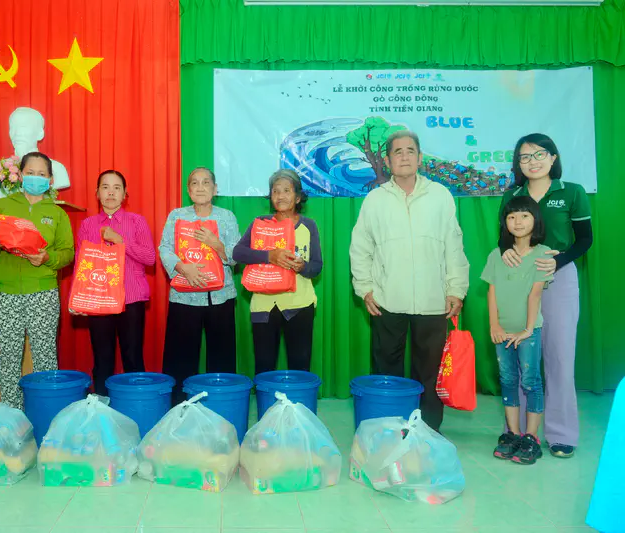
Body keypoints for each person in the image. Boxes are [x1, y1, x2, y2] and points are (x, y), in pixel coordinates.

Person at [349, 130, 469, 431]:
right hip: (388, 300)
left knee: (429, 371)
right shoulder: (375, 200)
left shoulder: (440, 195)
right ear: (388, 160)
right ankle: (388, 427)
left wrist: (456, 289)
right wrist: (365, 289)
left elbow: (453, 245)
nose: (404, 156)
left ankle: (427, 431)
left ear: (420, 157)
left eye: (410, 150)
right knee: (386, 369)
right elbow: (360, 247)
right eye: (398, 151)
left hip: (433, 300)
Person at [500, 133, 593, 459]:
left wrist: (557, 261)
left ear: (553, 158)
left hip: (558, 280)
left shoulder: (572, 192)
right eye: (525, 157)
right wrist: (506, 254)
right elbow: (504, 237)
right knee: (524, 359)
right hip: (519, 284)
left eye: (540, 154)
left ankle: (562, 434)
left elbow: (584, 240)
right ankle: (527, 433)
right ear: (518, 164)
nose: (533, 161)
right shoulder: (513, 194)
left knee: (559, 357)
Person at [0, 152, 74, 409]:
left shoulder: (57, 214)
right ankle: (13, 416)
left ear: (50, 180)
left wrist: (46, 258)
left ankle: (46, 411)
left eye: (42, 174)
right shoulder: (2, 207)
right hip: (4, 292)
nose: (35, 178)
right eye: (30, 172)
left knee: (45, 356)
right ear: (20, 174)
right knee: (8, 358)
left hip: (42, 291)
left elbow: (67, 254)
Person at [159, 168, 241, 404]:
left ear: (215, 189)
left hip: (220, 297)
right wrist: (183, 268)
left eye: (206, 182)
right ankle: (179, 405)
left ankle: (221, 404)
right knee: (180, 358)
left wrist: (217, 244)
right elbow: (165, 248)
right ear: (188, 190)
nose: (201, 187)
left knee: (222, 358)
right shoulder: (177, 216)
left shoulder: (227, 217)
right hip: (184, 298)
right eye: (195, 183)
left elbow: (236, 257)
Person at [483, 196, 552, 464]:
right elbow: (492, 291)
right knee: (508, 380)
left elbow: (535, 295)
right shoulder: (497, 254)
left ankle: (531, 437)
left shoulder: (543, 253)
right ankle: (513, 434)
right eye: (512, 217)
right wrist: (494, 325)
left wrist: (527, 329)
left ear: (535, 220)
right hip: (503, 332)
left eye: (524, 215)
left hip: (528, 332)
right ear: (505, 223)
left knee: (531, 381)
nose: (518, 221)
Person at [233, 169, 323, 376]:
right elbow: (238, 252)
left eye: (286, 191)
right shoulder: (260, 223)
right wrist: (269, 256)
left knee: (300, 364)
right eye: (275, 191)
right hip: (264, 305)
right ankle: (267, 408)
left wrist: (303, 267)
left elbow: (317, 266)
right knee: (264, 365)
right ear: (270, 196)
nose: (280, 196)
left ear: (298, 197)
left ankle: (298, 408)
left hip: (299, 304)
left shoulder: (309, 226)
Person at [74, 170, 155, 396]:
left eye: (117, 187)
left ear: (125, 194)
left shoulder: (137, 221)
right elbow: (81, 264)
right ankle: (102, 408)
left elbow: (150, 258)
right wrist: (77, 298)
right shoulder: (88, 225)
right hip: (98, 300)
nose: (111, 192)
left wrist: (121, 241)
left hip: (131, 298)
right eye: (105, 187)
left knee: (133, 357)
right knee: (102, 358)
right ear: (97, 193)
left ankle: (137, 403)